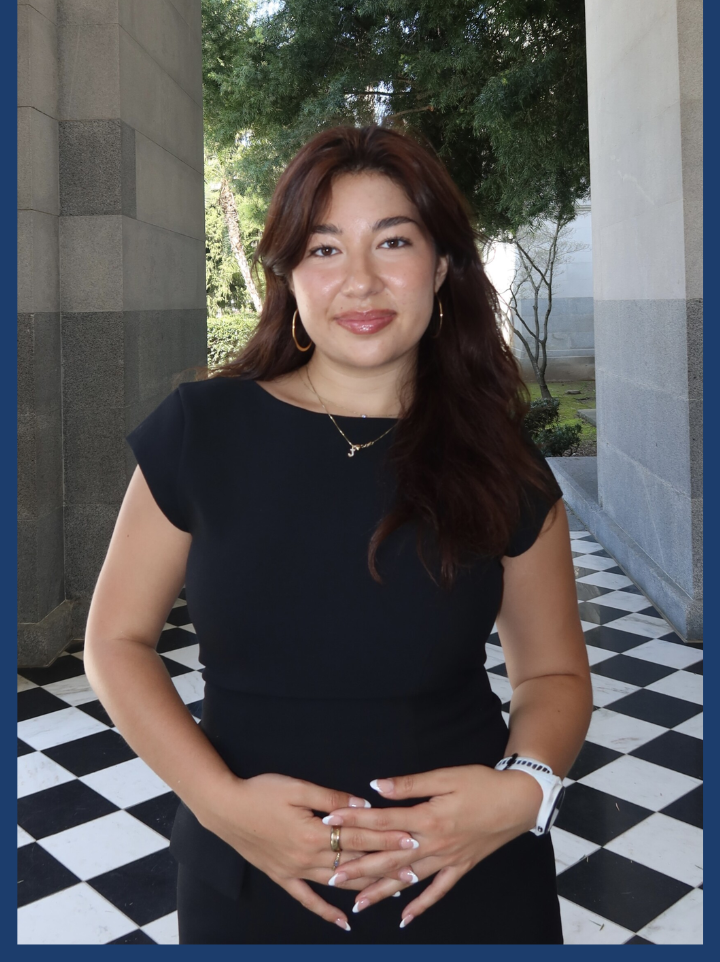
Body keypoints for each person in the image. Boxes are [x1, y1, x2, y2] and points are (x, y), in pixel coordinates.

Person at [84, 125, 592, 945]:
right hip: (251, 873)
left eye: (393, 240)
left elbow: (557, 672)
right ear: (287, 274)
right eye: (324, 249)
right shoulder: (201, 430)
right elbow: (114, 640)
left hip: (467, 877)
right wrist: (224, 807)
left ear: (441, 267)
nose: (360, 279)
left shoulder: (500, 457)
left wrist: (525, 788)